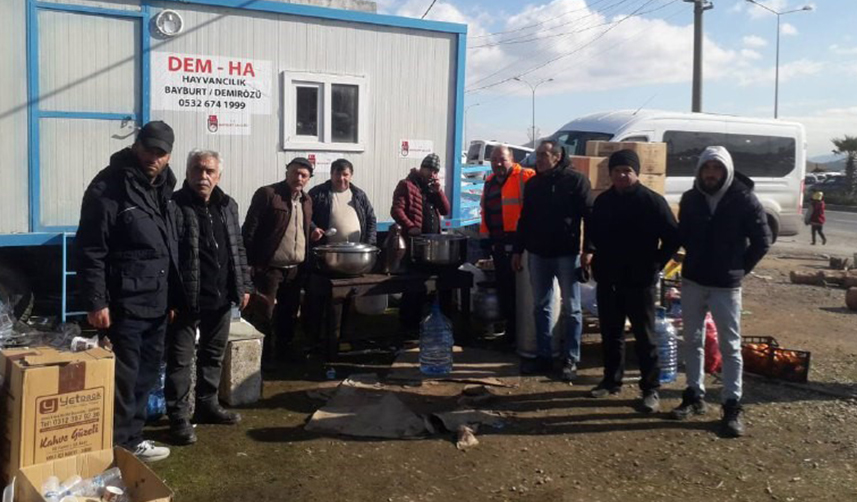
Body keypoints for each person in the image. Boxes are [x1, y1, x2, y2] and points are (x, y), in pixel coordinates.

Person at [76, 121, 180, 462]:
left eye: (161, 153)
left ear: (168, 156)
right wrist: (96, 301)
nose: (154, 157)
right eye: (148, 149)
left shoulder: (164, 187)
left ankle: (131, 437)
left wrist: (173, 297)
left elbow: (169, 245)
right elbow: (92, 247)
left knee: (147, 372)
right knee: (125, 376)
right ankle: (117, 442)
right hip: (125, 299)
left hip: (157, 298)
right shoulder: (108, 186)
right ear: (137, 146)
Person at [670, 146, 771, 438]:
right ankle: (693, 394)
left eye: (716, 168)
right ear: (700, 171)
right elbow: (683, 234)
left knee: (730, 345)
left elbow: (762, 241)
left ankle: (731, 404)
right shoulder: (691, 199)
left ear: (725, 170)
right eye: (706, 168)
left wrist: (739, 268)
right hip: (693, 281)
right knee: (691, 339)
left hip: (726, 286)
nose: (711, 174)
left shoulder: (744, 198)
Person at [165, 149, 252, 445]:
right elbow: (168, 256)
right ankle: (178, 418)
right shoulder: (173, 206)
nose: (203, 176)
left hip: (221, 296)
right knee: (180, 360)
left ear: (218, 175)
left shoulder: (228, 206)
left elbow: (237, 248)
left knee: (213, 355)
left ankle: (207, 405)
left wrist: (244, 287)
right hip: (185, 299)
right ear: (188, 172)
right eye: (197, 169)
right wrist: (169, 300)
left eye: (209, 171)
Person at [585, 150, 680, 412]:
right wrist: (593, 260)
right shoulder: (603, 201)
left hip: (640, 280)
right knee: (611, 333)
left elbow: (673, 237)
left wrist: (655, 264)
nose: (622, 175)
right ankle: (610, 381)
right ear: (611, 174)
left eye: (627, 170)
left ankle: (650, 389)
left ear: (636, 173)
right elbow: (592, 233)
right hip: (609, 279)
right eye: (617, 171)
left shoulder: (652, 202)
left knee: (644, 336)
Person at [511, 140, 592, 380]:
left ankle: (570, 358)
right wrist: (518, 250)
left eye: (544, 155)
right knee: (541, 306)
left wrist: (589, 249)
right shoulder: (534, 184)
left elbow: (589, 216)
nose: (539, 159)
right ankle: (544, 356)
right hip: (538, 254)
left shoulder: (576, 181)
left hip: (567, 254)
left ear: (557, 156)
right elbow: (525, 219)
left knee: (572, 308)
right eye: (538, 155)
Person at [242, 157, 319, 367]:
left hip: (295, 270)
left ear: (309, 179)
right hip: (269, 269)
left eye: (304, 175)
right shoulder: (268, 194)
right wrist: (249, 264)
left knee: (288, 314)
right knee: (264, 315)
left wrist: (312, 230)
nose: (299, 178)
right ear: (287, 172)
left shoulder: (307, 200)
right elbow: (249, 230)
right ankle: (263, 360)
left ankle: (285, 353)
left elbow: (301, 220)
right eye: (295, 172)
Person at [479, 146, 535, 345]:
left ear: (512, 159)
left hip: (520, 244)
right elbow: (485, 212)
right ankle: (510, 333)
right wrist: (485, 240)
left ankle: (523, 334)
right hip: (498, 244)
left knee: (521, 290)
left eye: (502, 159)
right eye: (494, 160)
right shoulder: (489, 182)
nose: (498, 163)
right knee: (505, 288)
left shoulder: (526, 177)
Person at [391, 153, 451, 328]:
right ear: (421, 168)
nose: (432, 174)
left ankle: (424, 324)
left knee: (430, 285)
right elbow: (396, 210)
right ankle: (408, 325)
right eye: (429, 169)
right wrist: (411, 227)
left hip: (432, 245)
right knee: (413, 286)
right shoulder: (406, 185)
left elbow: (445, 210)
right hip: (414, 244)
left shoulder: (432, 189)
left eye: (435, 171)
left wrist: (439, 191)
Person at [308, 158, 377, 245]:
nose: (341, 178)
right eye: (337, 174)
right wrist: (313, 228)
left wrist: (370, 244)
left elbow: (371, 219)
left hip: (356, 252)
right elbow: (305, 216)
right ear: (331, 174)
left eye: (345, 174)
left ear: (351, 175)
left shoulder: (359, 195)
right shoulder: (318, 193)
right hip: (325, 252)